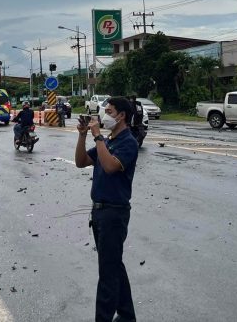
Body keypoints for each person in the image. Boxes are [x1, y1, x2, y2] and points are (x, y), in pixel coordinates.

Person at [74, 97, 139, 322]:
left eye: (109, 111)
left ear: (121, 115)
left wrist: (98, 136)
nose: (105, 116)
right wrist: (83, 135)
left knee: (108, 275)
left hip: (114, 213)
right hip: (100, 212)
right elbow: (81, 162)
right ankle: (127, 316)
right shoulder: (109, 140)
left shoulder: (127, 142)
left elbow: (111, 167)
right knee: (114, 267)